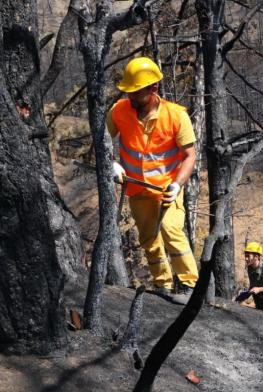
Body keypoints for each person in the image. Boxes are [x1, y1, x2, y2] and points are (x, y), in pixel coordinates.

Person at [107, 57, 199, 305]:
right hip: (137, 188)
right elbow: (102, 139)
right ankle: (163, 285)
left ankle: (191, 286)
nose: (132, 97)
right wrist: (111, 163)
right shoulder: (119, 111)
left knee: (171, 230)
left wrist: (177, 184)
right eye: (130, 92)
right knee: (148, 238)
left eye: (137, 92)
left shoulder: (176, 116)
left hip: (167, 187)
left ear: (154, 88)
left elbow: (190, 156)